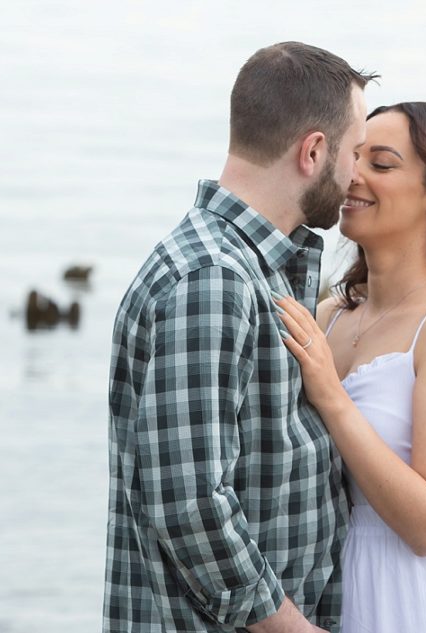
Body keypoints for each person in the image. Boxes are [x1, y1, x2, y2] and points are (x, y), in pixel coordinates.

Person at [103, 42, 376, 633]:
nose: (356, 174)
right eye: (354, 152)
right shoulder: (213, 280)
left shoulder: (259, 267)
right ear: (313, 151)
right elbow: (190, 504)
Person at [275, 102, 426, 632]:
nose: (352, 175)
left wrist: (332, 398)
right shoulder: (330, 316)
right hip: (329, 585)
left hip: (419, 597)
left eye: (381, 165)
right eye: (353, 156)